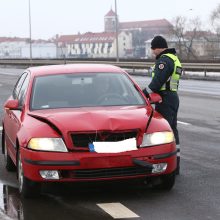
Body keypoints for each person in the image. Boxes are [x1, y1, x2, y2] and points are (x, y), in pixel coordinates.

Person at [142, 35, 182, 174]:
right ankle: (175, 165)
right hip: (173, 97)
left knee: (164, 133)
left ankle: (167, 167)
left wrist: (144, 93)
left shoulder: (164, 61)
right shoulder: (174, 58)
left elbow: (157, 81)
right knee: (173, 131)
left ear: (158, 47)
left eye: (153, 49)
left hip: (164, 99)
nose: (153, 52)